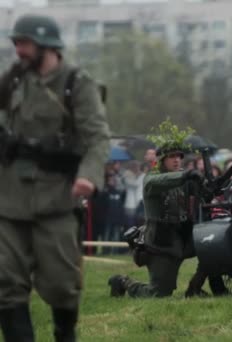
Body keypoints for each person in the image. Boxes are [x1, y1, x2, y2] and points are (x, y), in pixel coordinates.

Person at [0, 14, 110, 341]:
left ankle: (65, 333)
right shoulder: (13, 82)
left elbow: (97, 138)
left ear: (46, 44)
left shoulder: (77, 83)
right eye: (16, 43)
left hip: (56, 199)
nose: (18, 50)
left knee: (62, 285)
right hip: (9, 201)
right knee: (5, 283)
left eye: (24, 43)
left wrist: (89, 176)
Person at [107, 127, 205, 298]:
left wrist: (205, 183)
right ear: (162, 160)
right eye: (172, 157)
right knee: (158, 293)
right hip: (162, 242)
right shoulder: (152, 179)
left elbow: (199, 192)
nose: (176, 160)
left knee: (210, 250)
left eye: (179, 156)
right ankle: (122, 281)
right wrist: (187, 175)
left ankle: (195, 287)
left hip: (183, 237)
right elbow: (165, 180)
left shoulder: (182, 177)